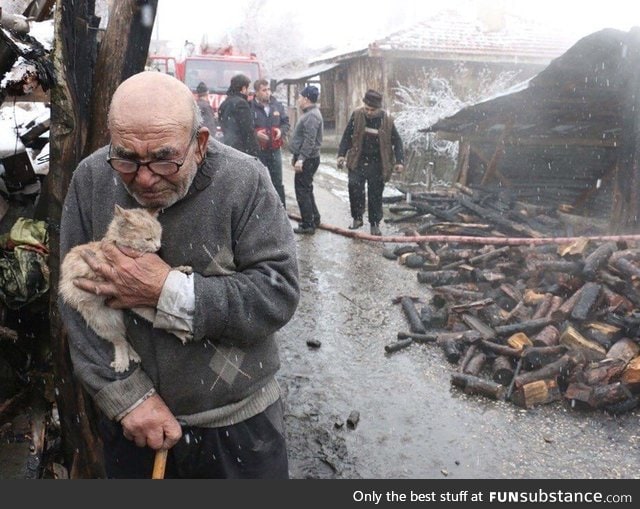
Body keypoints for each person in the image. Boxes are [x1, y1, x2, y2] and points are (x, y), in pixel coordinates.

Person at [58, 71, 299, 479]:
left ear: (200, 143)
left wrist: (167, 290)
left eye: (164, 158)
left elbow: (277, 294)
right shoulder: (92, 178)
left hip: (238, 426)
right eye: (127, 158)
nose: (145, 177)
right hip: (135, 427)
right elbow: (74, 302)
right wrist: (127, 398)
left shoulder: (245, 181)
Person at [337, 89, 404, 236]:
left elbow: (397, 141)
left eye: (372, 110)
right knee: (354, 186)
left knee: (375, 194)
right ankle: (357, 218)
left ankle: (375, 224)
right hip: (358, 160)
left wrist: (399, 161)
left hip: (378, 163)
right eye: (366, 108)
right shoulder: (357, 115)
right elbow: (347, 135)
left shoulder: (387, 120)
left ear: (378, 108)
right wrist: (341, 154)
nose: (368, 112)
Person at [288, 85, 323, 235]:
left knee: (302, 191)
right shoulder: (310, 113)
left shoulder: (312, 116)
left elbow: (310, 140)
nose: (298, 100)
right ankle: (314, 218)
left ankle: (308, 224)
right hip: (307, 157)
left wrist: (301, 159)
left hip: (308, 159)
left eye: (300, 97)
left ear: (306, 99)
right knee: (307, 189)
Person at [250, 79, 290, 207]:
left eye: (268, 90)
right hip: (258, 150)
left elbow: (286, 123)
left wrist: (281, 131)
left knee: (277, 181)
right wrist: (256, 135)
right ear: (256, 92)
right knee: (258, 181)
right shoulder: (250, 107)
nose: (268, 93)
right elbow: (245, 128)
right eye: (264, 90)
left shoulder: (277, 105)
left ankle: (281, 209)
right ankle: (260, 210)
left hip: (274, 150)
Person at [217, 73, 260, 156]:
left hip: (227, 147)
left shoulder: (224, 103)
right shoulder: (242, 104)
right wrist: (254, 151)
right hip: (241, 150)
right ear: (243, 88)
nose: (249, 91)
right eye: (249, 88)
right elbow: (247, 130)